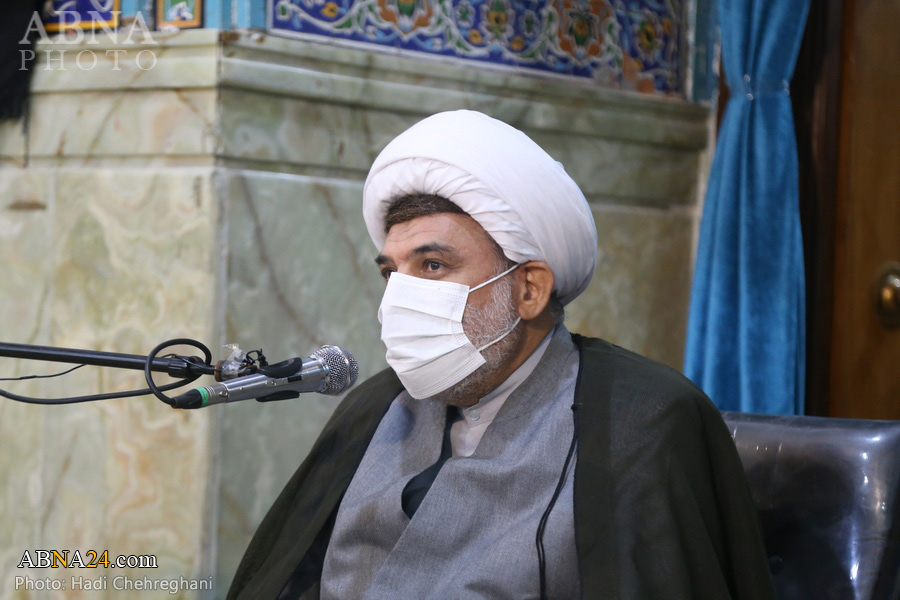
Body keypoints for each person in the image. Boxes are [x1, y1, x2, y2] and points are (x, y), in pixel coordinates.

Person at [227, 111, 774, 600]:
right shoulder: (376, 406)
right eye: (392, 272)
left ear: (529, 289)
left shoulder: (642, 417)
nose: (400, 298)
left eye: (433, 266)